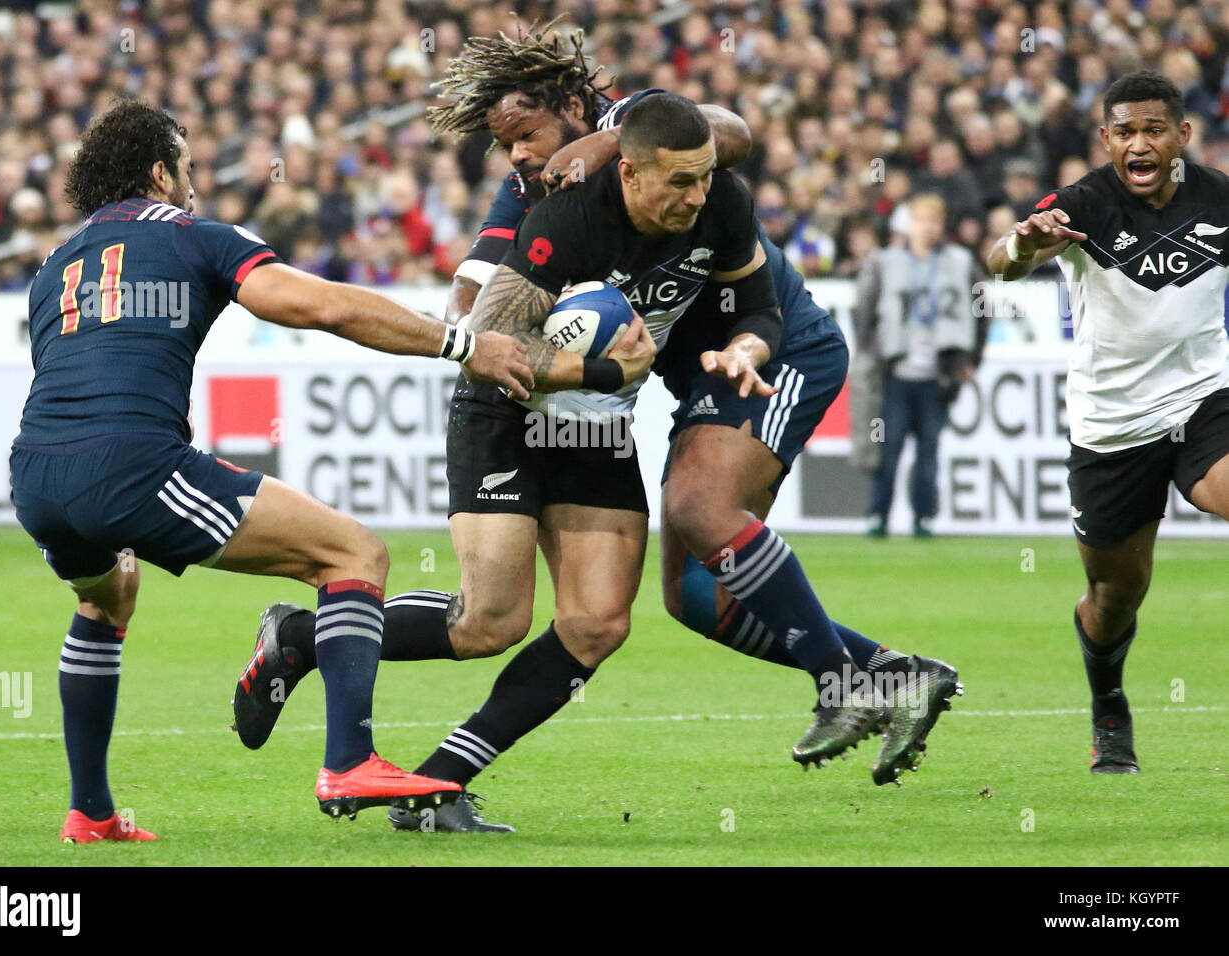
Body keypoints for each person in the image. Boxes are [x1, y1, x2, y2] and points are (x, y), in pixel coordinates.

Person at [233, 34, 960, 832]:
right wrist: (592, 366)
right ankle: (303, 637)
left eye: (529, 136)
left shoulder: (670, 153)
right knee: (517, 619)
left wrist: (612, 139)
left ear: (581, 117)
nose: (516, 156)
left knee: (601, 619)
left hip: (666, 396)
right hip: (529, 409)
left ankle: (436, 786)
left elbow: (735, 141)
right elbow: (472, 327)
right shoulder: (537, 204)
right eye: (504, 144)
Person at [8, 99, 533, 842]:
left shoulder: (55, 265)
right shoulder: (198, 238)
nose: (192, 183)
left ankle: (90, 812)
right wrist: (459, 345)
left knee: (107, 599)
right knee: (354, 553)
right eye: (186, 167)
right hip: (132, 464)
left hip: (35, 475)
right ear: (161, 172)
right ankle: (350, 760)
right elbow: (315, 305)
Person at [988, 70, 1229, 773]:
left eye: (1154, 129)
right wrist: (1028, 247)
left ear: (1182, 134)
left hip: (1203, 400)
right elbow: (1000, 259)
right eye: (1125, 131)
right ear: (1106, 139)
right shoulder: (1080, 203)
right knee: (1114, 597)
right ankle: (1109, 706)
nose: (1140, 143)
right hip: (1111, 426)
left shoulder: (1219, 198)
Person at [854, 193, 987, 538]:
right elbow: (864, 313)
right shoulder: (885, 262)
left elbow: (981, 308)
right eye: (921, 220)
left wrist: (970, 359)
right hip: (896, 372)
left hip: (937, 374)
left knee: (929, 452)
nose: (928, 228)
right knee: (889, 448)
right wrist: (871, 353)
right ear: (909, 224)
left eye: (933, 221)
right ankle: (877, 515)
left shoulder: (960, 261)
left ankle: (923, 518)